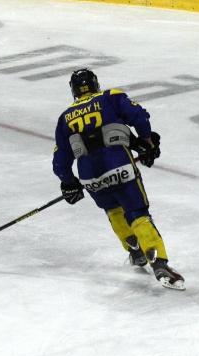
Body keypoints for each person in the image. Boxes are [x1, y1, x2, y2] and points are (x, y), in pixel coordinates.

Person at [52, 68, 184, 290]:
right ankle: (159, 263)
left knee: (113, 210)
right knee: (137, 213)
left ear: (74, 91)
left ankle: (135, 251)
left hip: (89, 176)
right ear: (95, 84)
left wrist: (69, 182)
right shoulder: (110, 97)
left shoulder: (65, 117)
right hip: (119, 165)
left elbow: (60, 160)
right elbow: (139, 117)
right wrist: (147, 142)